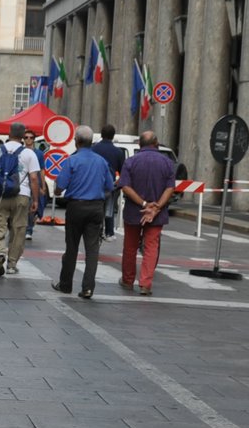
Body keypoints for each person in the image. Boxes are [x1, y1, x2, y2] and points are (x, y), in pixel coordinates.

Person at [51, 125, 116, 299]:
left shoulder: (72, 160)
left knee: (71, 247)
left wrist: (58, 191)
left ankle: (65, 285)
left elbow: (60, 187)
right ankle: (88, 288)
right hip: (96, 207)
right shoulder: (101, 161)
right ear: (91, 142)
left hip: (76, 207)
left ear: (77, 141)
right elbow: (110, 186)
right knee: (92, 249)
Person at [117, 131, 178, 296]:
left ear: (139, 145)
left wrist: (143, 204)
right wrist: (156, 207)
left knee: (130, 247)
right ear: (156, 143)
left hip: (133, 211)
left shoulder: (130, 161)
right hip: (157, 214)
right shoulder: (167, 163)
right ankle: (145, 284)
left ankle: (128, 280)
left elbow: (125, 186)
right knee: (151, 247)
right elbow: (170, 188)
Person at [0, 122, 42, 278]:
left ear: (9, 133)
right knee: (19, 229)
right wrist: (36, 200)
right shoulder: (29, 153)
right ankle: (11, 264)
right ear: (23, 136)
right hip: (22, 194)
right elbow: (34, 178)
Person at [91, 124, 127, 239]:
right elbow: (123, 173)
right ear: (113, 136)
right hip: (109, 185)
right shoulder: (118, 152)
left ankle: (92, 229)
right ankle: (109, 232)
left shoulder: (93, 149)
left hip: (94, 185)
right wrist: (117, 185)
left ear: (101, 135)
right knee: (109, 208)